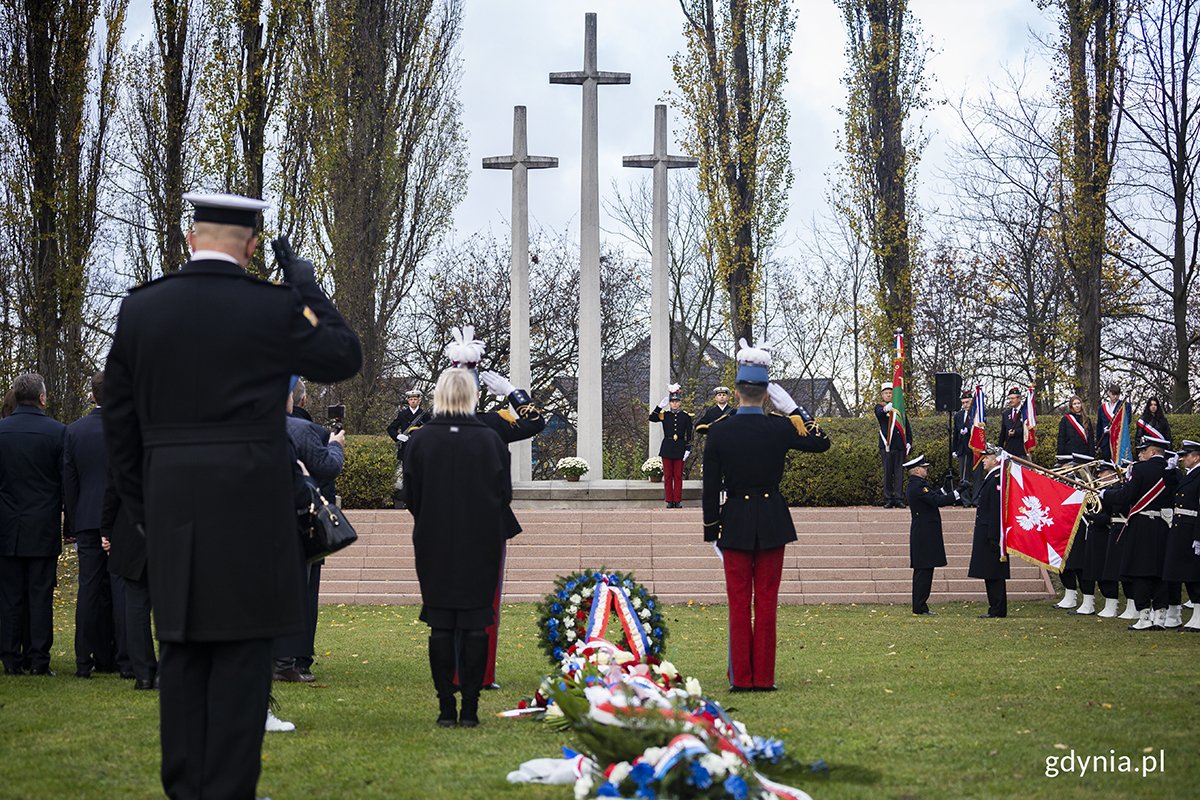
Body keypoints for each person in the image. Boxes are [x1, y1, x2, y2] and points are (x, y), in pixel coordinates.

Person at [103, 192, 361, 799]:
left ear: (191, 237)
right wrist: (305, 287)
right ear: (250, 247)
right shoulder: (271, 307)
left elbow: (119, 424)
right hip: (253, 508)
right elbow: (343, 355)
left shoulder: (142, 309)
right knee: (245, 659)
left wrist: (147, 511)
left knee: (184, 654)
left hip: (173, 508)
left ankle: (186, 788)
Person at [702, 339, 831, 691]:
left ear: (739, 390)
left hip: (735, 522)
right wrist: (796, 410)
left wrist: (711, 530)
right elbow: (822, 442)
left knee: (739, 603)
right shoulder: (781, 426)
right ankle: (765, 678)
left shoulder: (718, 431)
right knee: (768, 602)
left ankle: (742, 679)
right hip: (773, 519)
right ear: (766, 392)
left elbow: (710, 487)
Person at [403, 368, 512, 727]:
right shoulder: (491, 440)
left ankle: (446, 707)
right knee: (475, 623)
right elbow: (503, 495)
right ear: (472, 395)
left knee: (441, 624)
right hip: (480, 540)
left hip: (434, 538)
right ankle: (469, 708)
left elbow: (411, 497)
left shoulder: (420, 441)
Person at [276, 377, 345, 683]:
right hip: (302, 521)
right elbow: (328, 468)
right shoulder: (304, 430)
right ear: (296, 400)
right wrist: (336, 447)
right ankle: (294, 658)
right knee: (304, 591)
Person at [0, 373, 66, 676]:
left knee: (10, 597)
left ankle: (11, 659)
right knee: (40, 596)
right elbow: (65, 483)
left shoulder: (2, 431)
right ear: (41, 398)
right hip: (42, 525)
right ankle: (39, 659)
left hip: (7, 526)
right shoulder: (57, 433)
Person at [63, 370, 127, 678]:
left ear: (93, 395)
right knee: (120, 587)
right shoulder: (127, 429)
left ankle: (83, 660)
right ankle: (124, 658)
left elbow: (70, 482)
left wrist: (73, 523)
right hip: (120, 519)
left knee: (88, 589)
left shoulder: (74, 431)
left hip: (87, 517)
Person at [1101, 435, 1176, 630]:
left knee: (1140, 571)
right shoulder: (1174, 473)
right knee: (1160, 571)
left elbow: (1127, 496)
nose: (1140, 455)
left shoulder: (1140, 469)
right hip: (1163, 525)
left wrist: (1105, 494)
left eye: (1143, 451)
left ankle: (1144, 617)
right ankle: (1160, 615)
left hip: (1141, 524)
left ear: (1152, 452)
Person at [100, 468, 157, 689]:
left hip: (133, 529)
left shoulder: (128, 453)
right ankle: (165, 672)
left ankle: (143, 673)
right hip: (170, 530)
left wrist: (106, 528)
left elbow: (113, 492)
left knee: (135, 606)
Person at [904, 454, 959, 615]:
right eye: (924, 467)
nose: (926, 469)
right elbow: (937, 501)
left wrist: (945, 488)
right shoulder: (918, 486)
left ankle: (921, 605)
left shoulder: (918, 485)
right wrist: (957, 493)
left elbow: (933, 495)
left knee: (925, 570)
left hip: (924, 532)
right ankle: (920, 606)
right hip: (924, 533)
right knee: (924, 571)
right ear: (917, 470)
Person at [968, 447, 1008, 618]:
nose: (983, 460)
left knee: (994, 573)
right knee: (989, 572)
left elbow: (996, 510)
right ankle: (995, 607)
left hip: (991, 533)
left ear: (996, 459)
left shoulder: (997, 478)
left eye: (986, 458)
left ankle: (997, 609)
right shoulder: (992, 477)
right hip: (988, 531)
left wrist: (994, 536)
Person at [1164, 440, 1200, 631]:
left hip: (1191, 528)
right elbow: (1174, 491)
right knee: (1178, 572)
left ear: (1197, 457)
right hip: (1180, 529)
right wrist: (1170, 470)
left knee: (1194, 575)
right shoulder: (1189, 475)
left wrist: (1198, 536)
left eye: (1187, 455)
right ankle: (1178, 614)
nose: (1183, 459)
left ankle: (1199, 615)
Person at [649, 384, 692, 508]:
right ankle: (669, 500)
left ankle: (677, 500)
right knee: (667, 476)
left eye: (676, 401)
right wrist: (659, 407)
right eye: (672, 401)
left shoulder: (685, 416)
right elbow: (651, 418)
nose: (674, 404)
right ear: (669, 403)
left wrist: (688, 448)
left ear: (680, 403)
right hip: (667, 447)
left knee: (678, 476)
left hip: (680, 447)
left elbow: (690, 433)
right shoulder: (664, 415)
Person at [874, 382, 911, 508]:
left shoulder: (899, 408)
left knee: (899, 473)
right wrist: (886, 409)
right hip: (886, 445)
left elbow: (906, 426)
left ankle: (899, 498)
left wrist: (909, 442)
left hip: (899, 445)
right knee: (888, 473)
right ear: (882, 395)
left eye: (890, 393)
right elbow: (879, 413)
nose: (888, 395)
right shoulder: (880, 406)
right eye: (886, 393)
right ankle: (888, 499)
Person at [387, 388, 428, 462]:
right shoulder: (402, 414)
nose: (413, 401)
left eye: (415, 399)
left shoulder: (425, 415)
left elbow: (430, 431)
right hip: (406, 448)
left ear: (419, 401)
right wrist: (398, 436)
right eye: (411, 399)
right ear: (408, 401)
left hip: (420, 448)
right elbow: (391, 428)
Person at [1097, 384, 1132, 462]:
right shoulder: (1102, 408)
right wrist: (1098, 442)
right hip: (1106, 440)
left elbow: (1128, 421)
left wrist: (1113, 428)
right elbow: (1099, 426)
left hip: (1118, 440)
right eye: (1113, 394)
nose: (1115, 397)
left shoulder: (1125, 405)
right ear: (1109, 393)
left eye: (1117, 394)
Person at [951, 390, 975, 504]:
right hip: (962, 448)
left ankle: (976, 499)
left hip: (975, 448)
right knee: (963, 475)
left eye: (967, 402)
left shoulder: (976, 413)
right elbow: (955, 433)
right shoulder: (958, 415)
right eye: (963, 402)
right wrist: (954, 449)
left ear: (972, 402)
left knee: (976, 475)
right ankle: (965, 500)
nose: (965, 405)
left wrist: (969, 430)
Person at [1056, 395, 1094, 461]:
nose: (1077, 406)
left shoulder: (1087, 420)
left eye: (1078, 403)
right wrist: (1060, 456)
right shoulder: (1065, 419)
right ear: (1071, 406)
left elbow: (1091, 438)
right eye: (1074, 404)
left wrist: (1091, 454)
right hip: (1070, 455)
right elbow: (1061, 438)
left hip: (1084, 454)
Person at [997, 387, 1028, 458]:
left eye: (1012, 398)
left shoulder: (1025, 412)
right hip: (1009, 450)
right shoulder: (1006, 413)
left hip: (1022, 451)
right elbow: (1003, 431)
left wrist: (1016, 432)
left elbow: (1028, 430)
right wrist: (1000, 447)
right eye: (1009, 398)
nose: (1010, 400)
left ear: (1019, 398)